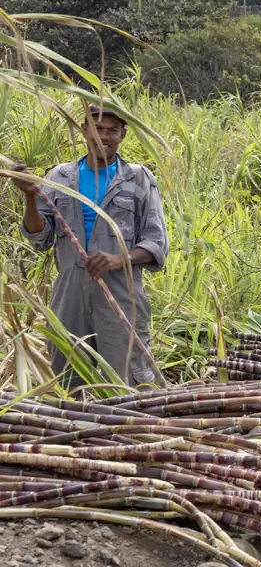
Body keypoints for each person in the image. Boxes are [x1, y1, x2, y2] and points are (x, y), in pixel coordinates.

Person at [11, 104, 169, 386]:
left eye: (112, 131)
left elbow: (157, 244)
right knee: (69, 384)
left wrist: (118, 259)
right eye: (97, 128)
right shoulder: (59, 177)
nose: (103, 137)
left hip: (120, 297)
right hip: (68, 297)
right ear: (84, 130)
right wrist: (30, 198)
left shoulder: (138, 178)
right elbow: (40, 238)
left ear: (123, 134)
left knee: (126, 387)